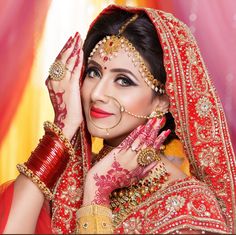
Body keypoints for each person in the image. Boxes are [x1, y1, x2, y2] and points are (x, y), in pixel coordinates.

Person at [0, 4, 235, 234]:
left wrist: (96, 192)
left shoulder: (189, 207)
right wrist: (63, 126)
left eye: (124, 80)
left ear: (163, 100)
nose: (97, 93)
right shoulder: (66, 182)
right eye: (93, 72)